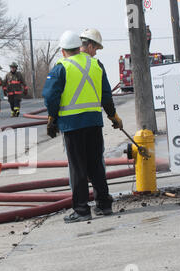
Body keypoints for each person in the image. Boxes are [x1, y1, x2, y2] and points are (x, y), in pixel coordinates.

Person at [42, 30, 123, 223]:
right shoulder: (96, 64)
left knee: (78, 169)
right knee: (96, 165)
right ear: (79, 47)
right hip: (94, 122)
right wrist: (113, 117)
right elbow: (106, 95)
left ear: (63, 51)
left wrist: (52, 119)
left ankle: (81, 210)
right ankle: (104, 205)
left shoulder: (61, 67)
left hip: (72, 125)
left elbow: (50, 96)